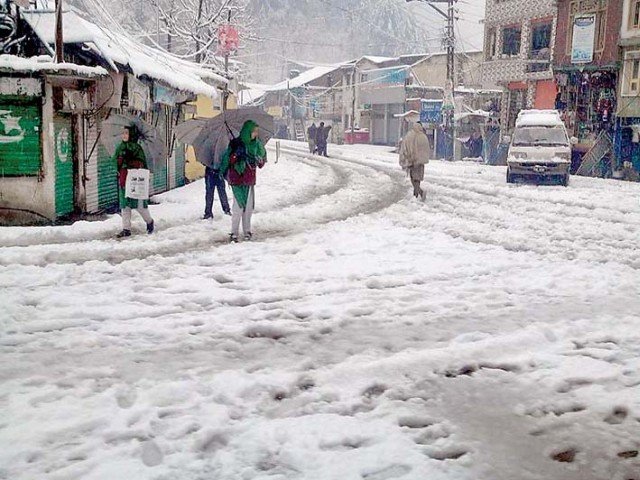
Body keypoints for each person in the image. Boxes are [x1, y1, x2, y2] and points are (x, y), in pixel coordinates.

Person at [219, 120, 267, 243]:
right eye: (254, 131)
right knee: (238, 207)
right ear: (247, 131)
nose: (256, 134)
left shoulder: (257, 145)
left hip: (249, 180)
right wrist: (235, 155)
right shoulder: (235, 144)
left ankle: (247, 231)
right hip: (237, 180)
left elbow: (262, 161)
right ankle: (234, 233)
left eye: (257, 131)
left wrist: (259, 160)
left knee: (248, 207)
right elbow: (227, 160)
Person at [115, 125, 154, 238]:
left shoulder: (137, 148)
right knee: (125, 205)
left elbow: (142, 164)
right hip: (124, 180)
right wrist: (120, 161)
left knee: (139, 205)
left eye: (126, 133)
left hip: (136, 181)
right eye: (123, 133)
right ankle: (126, 229)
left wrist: (132, 162)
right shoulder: (120, 147)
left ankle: (149, 221)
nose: (124, 135)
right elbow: (115, 162)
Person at [399, 121, 430, 200]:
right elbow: (426, 149)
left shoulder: (410, 135)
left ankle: (418, 194)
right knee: (418, 178)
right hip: (421, 161)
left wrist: (406, 158)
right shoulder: (423, 136)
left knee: (413, 178)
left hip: (412, 160)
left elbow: (405, 147)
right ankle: (418, 193)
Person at [203, 138, 231, 220]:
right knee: (212, 193)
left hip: (217, 172)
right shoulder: (211, 147)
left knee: (218, 192)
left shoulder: (223, 147)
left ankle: (224, 210)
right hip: (213, 172)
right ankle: (210, 212)